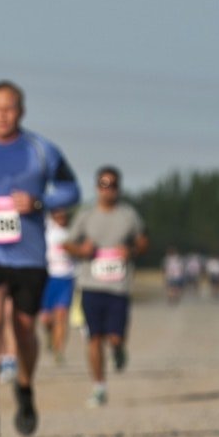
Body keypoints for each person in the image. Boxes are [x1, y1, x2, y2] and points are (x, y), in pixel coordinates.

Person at [0, 80, 80, 437]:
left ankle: (24, 390)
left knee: (24, 329)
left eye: (9, 109)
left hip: (28, 256)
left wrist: (40, 202)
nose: (2, 115)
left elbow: (71, 190)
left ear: (21, 112)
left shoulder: (42, 150)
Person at [65, 166, 148, 407]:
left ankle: (119, 348)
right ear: (96, 187)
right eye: (103, 184)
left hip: (118, 287)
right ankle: (99, 386)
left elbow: (143, 240)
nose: (108, 189)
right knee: (94, 338)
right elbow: (67, 243)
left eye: (112, 185)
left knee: (114, 337)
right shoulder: (86, 215)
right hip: (90, 285)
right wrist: (81, 250)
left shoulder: (128, 215)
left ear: (118, 188)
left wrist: (131, 250)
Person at [39, 208, 77, 363]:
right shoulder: (46, 228)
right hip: (47, 277)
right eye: (58, 213)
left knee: (61, 315)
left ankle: (59, 350)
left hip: (66, 278)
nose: (61, 216)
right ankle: (50, 335)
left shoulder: (73, 232)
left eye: (64, 213)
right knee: (46, 319)